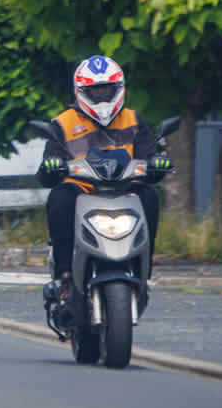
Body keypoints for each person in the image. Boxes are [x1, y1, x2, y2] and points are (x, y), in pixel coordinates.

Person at [36, 55, 172, 297]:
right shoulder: (63, 123)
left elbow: (149, 154)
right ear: (81, 91)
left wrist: (157, 163)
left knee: (150, 196)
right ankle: (65, 275)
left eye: (107, 90)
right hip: (81, 191)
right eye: (95, 91)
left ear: (119, 89)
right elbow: (48, 167)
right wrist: (51, 165)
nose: (102, 96)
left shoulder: (133, 119)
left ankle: (144, 270)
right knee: (59, 198)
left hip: (125, 189)